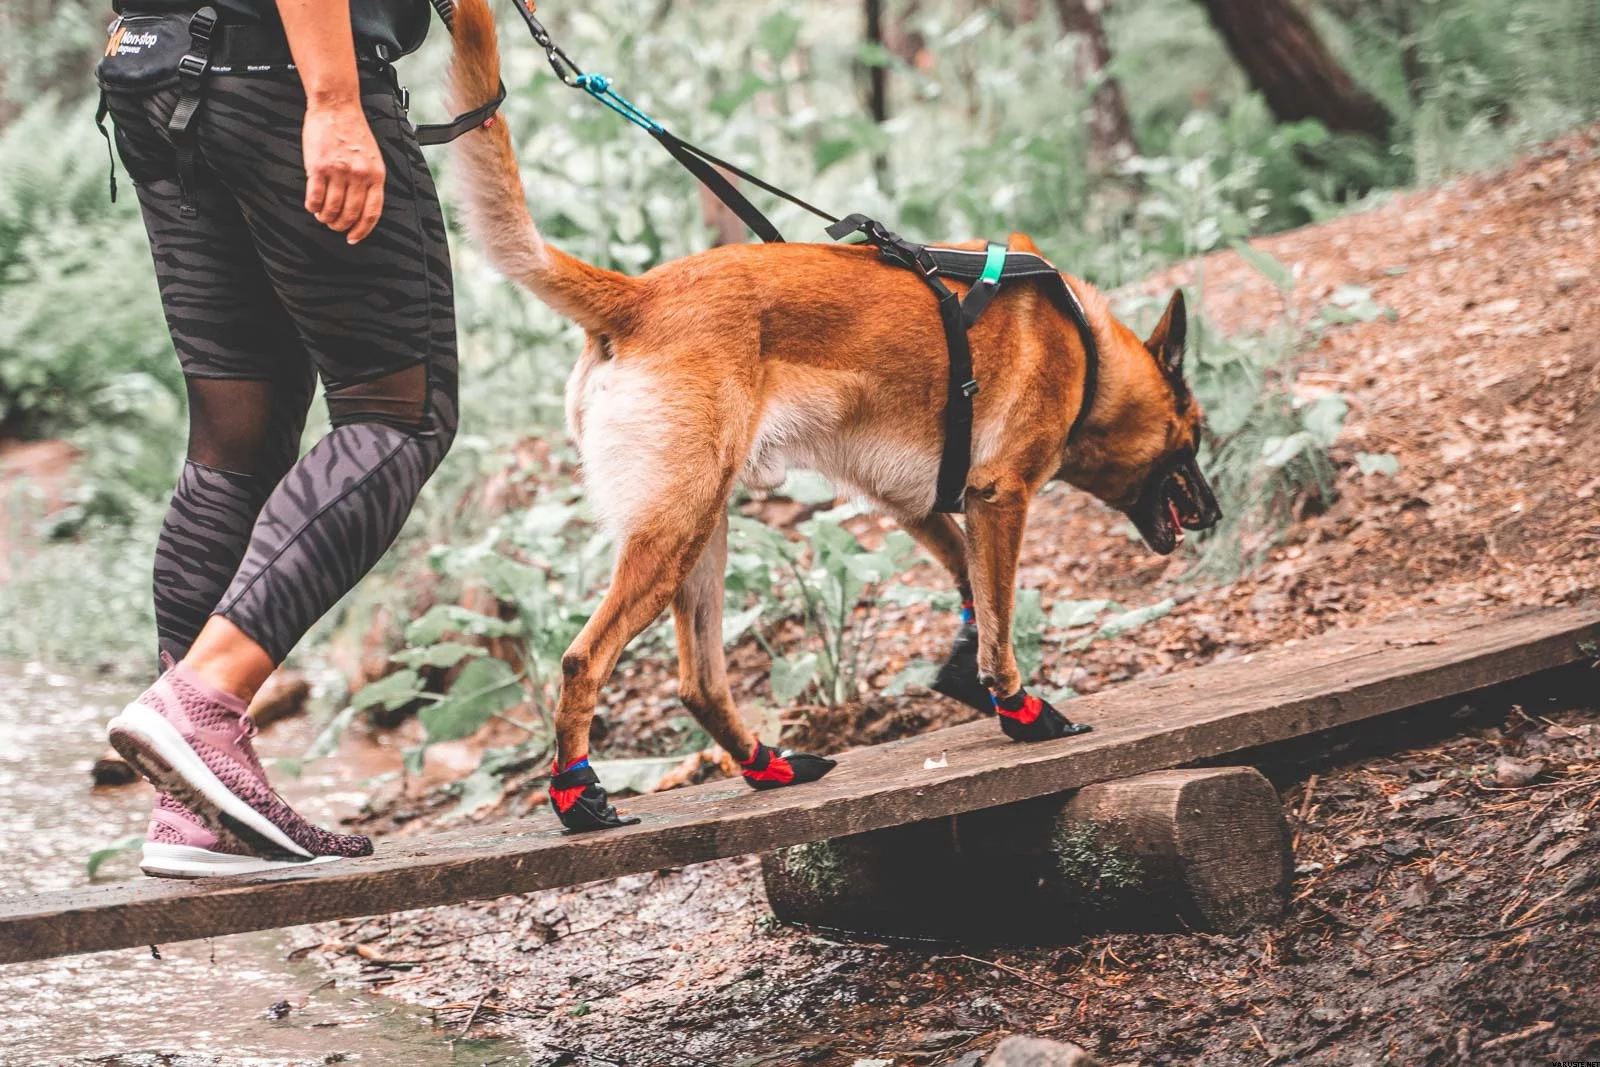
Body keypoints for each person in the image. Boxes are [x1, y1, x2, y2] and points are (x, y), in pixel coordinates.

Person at [100, 0, 456, 877]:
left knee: (237, 437)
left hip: (155, 71)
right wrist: (336, 102)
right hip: (285, 79)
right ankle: (201, 702)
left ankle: (195, 805)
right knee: (399, 410)